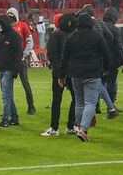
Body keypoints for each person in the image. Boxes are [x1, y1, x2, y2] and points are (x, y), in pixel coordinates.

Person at [60, 12, 112, 141]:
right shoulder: (97, 36)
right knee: (90, 103)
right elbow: (106, 54)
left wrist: (62, 75)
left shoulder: (71, 37)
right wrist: (106, 68)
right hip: (92, 73)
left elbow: (64, 58)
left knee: (79, 102)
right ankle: (83, 128)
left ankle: (80, 128)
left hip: (75, 73)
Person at [43, 13, 77, 136]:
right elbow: (53, 55)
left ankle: (67, 126)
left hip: (67, 72)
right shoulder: (57, 35)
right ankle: (57, 127)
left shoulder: (69, 35)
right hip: (64, 72)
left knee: (72, 99)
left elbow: (53, 55)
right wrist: (60, 73)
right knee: (58, 100)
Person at [0, 14, 23, 127]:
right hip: (2, 69)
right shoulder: (1, 35)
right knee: (8, 95)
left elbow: (19, 53)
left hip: (9, 70)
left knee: (6, 96)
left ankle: (5, 120)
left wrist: (15, 71)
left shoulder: (14, 36)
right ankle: (14, 118)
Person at [7, 8, 37, 115]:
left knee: (25, 82)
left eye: (11, 14)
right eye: (8, 14)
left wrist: (24, 54)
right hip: (10, 60)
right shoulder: (6, 27)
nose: (10, 16)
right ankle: (9, 109)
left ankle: (31, 106)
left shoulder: (23, 25)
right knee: (8, 85)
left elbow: (29, 41)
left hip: (21, 59)